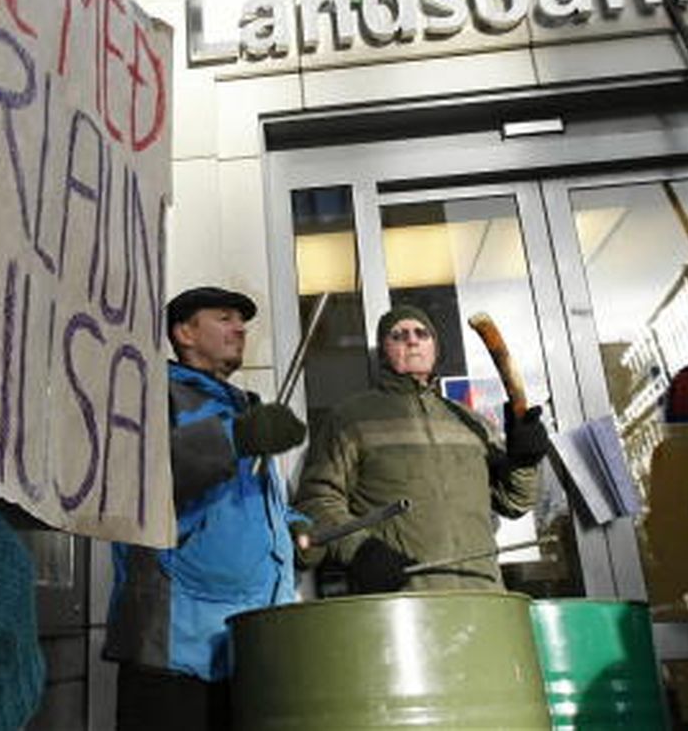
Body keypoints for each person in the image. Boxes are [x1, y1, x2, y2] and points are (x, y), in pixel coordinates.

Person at [103, 286, 307, 730]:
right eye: (224, 318)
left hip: (245, 644)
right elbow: (138, 480)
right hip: (176, 649)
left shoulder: (237, 407)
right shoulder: (150, 394)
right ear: (185, 333)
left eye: (242, 321)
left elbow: (247, 500)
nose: (239, 328)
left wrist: (296, 526)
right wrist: (237, 438)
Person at [295, 305, 549, 594]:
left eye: (421, 333)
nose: (412, 340)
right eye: (398, 335)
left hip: (483, 598)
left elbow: (515, 502)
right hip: (404, 606)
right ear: (383, 351)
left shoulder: (470, 421)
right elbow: (316, 501)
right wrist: (359, 549)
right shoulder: (351, 419)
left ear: (435, 348)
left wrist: (524, 462)